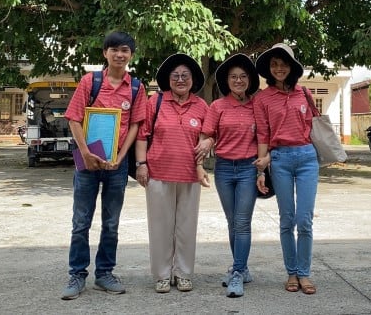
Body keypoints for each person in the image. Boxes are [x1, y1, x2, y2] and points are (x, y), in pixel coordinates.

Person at [60, 31, 147, 300]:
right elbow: (74, 119)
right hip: (87, 164)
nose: (119, 55)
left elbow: (135, 125)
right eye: (114, 50)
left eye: (125, 50)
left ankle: (105, 273)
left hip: (115, 167)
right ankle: (77, 274)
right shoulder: (90, 81)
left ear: (131, 55)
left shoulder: (136, 88)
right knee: (80, 222)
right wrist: (85, 153)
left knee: (111, 223)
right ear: (105, 53)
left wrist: (121, 157)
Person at [134, 53, 210, 293]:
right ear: (168, 80)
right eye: (175, 75)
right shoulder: (155, 102)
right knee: (160, 227)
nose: (180, 80)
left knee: (186, 228)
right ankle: (162, 275)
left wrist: (209, 143)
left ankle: (184, 274)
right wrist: (141, 164)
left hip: (190, 175)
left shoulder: (201, 106)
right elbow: (142, 135)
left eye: (185, 75)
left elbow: (208, 135)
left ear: (192, 80)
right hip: (158, 173)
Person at [252, 43, 319, 295]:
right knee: (287, 219)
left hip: (307, 158)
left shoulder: (304, 94)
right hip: (279, 160)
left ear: (292, 67)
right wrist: (261, 170)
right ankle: (291, 272)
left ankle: (304, 273)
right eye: (274, 64)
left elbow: (313, 127)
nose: (279, 68)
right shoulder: (262, 98)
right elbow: (263, 134)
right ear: (269, 69)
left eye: (283, 64)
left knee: (304, 219)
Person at [197, 54, 260, 298]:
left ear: (250, 79)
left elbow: (264, 137)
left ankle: (237, 272)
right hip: (223, 168)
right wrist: (206, 146)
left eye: (243, 76)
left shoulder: (257, 105)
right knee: (232, 221)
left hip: (248, 168)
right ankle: (241, 269)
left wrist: (262, 169)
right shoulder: (218, 106)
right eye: (233, 77)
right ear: (227, 80)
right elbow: (207, 135)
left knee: (242, 222)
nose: (238, 80)